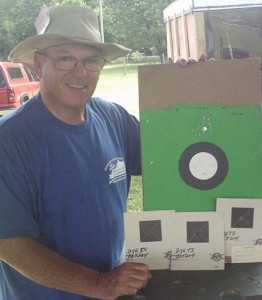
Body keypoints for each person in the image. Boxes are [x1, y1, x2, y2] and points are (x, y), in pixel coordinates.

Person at [0, 5, 151, 300]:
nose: (79, 72)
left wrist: (191, 86)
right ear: (39, 64)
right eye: (66, 58)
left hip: (113, 289)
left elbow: (169, 158)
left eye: (90, 60)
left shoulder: (113, 118)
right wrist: (98, 283)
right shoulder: (11, 140)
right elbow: (9, 243)